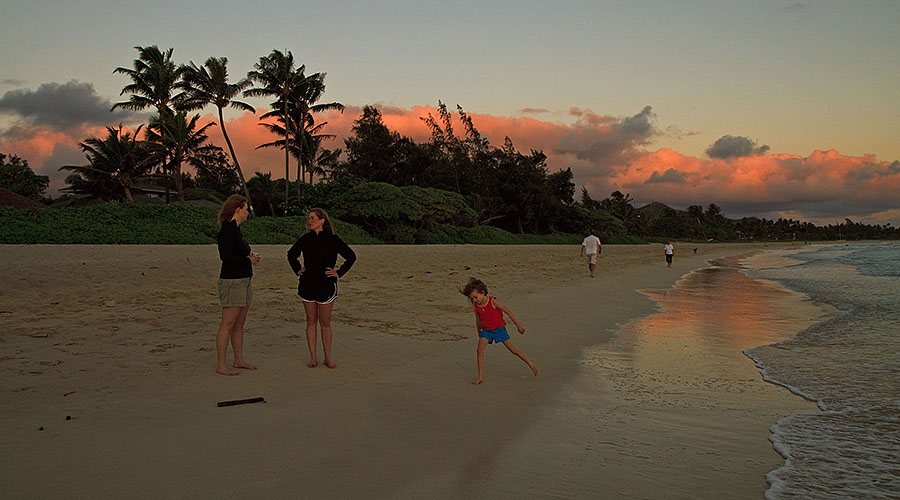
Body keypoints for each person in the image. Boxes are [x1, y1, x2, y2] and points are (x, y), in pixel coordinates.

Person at [287, 208, 356, 368]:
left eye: (312, 218)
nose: (309, 221)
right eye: (309, 218)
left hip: (326, 285)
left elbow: (351, 256)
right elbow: (291, 255)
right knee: (311, 321)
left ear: (322, 220)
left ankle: (327, 358)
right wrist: (298, 269)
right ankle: (313, 358)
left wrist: (338, 273)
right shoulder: (305, 239)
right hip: (307, 285)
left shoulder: (332, 239)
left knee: (325, 322)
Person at [460, 278, 538, 385]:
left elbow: (508, 312)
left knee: (513, 350)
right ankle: (480, 377)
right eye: (472, 298)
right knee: (479, 350)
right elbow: (478, 321)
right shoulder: (476, 307)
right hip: (486, 331)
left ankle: (531, 364)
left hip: (499, 330)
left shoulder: (493, 301)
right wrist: (479, 332)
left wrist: (518, 326)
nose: (474, 300)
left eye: (475, 297)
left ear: (482, 293)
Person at [215, 195, 260, 376]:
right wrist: (246, 259)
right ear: (237, 210)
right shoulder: (227, 230)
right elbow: (226, 257)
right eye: (245, 209)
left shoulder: (236, 230)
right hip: (232, 281)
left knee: (239, 324)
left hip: (244, 280)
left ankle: (239, 359)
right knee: (228, 323)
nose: (247, 212)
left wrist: (249, 260)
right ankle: (221, 364)